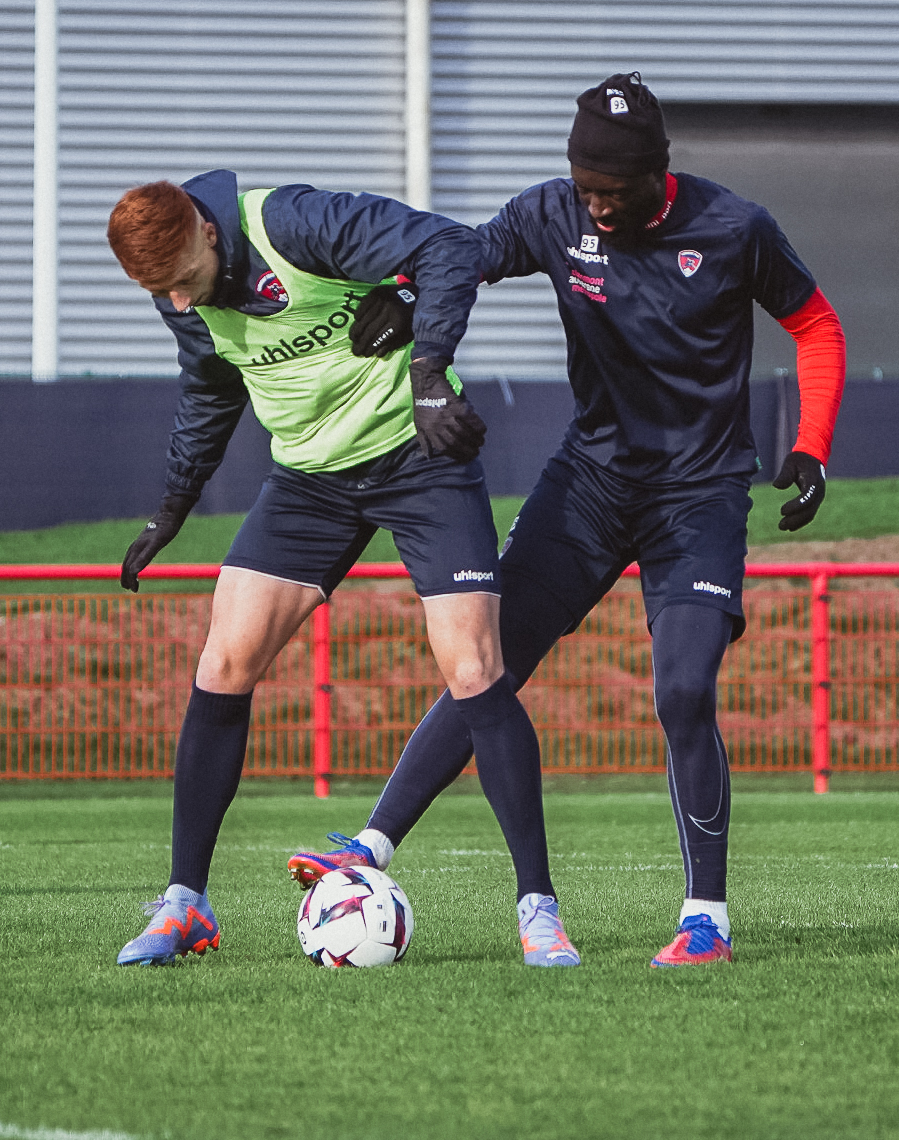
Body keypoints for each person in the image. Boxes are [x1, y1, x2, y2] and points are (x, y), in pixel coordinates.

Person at [288, 72, 847, 967]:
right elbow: (463, 250)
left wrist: (813, 446)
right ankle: (370, 846)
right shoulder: (555, 215)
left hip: (699, 495)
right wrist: (400, 287)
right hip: (588, 484)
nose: (596, 205)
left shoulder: (737, 228)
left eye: (613, 190)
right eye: (585, 187)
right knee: (484, 665)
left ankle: (706, 918)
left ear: (657, 174)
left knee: (685, 691)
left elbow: (816, 326)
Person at [106, 171, 579, 967]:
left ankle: (539, 909)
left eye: (184, 282)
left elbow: (449, 248)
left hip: (417, 458)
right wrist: (172, 508)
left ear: (207, 232)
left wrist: (429, 370)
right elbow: (210, 387)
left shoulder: (292, 221)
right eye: (164, 295)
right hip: (308, 482)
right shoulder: (178, 292)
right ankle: (185, 903)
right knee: (223, 660)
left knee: (473, 668)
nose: (181, 305)